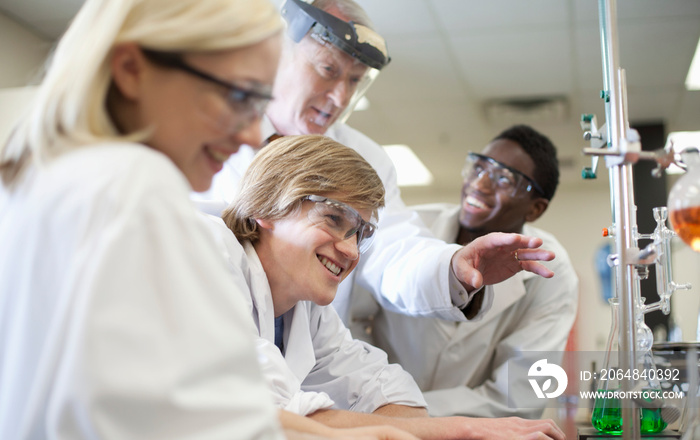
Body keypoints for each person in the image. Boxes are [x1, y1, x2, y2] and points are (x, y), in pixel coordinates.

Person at [0, 0, 453, 440]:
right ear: (133, 70)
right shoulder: (133, 186)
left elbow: (213, 405)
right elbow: (181, 426)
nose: (249, 135)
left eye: (258, 103)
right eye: (236, 97)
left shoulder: (60, 176)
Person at [194, 0, 558, 333]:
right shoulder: (207, 134)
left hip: (313, 361)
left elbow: (393, 251)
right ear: (278, 53)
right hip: (207, 333)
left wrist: (452, 269)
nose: (341, 96)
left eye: (355, 80)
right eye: (327, 69)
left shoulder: (365, 158)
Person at [214, 134, 568, 440]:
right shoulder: (210, 257)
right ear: (267, 206)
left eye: (360, 232)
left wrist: (415, 434)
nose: (352, 252)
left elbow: (382, 386)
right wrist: (463, 430)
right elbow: (277, 415)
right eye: (334, 219)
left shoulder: (306, 312)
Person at [371, 125, 579, 419]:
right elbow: (349, 315)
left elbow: (522, 394)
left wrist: (411, 414)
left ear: (535, 209)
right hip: (370, 419)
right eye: (478, 167)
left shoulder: (551, 272)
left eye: (504, 179)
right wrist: (374, 400)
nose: (479, 184)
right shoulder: (413, 229)